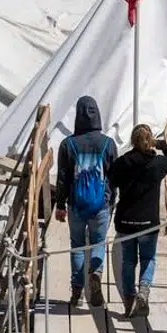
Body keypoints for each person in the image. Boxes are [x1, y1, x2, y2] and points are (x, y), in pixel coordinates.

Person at [107, 123, 167, 317]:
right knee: (148, 259)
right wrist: (161, 145)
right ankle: (144, 291)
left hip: (126, 221)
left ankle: (129, 300)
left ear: (132, 140)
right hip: (148, 223)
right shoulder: (157, 163)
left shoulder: (123, 162)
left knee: (128, 262)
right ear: (150, 141)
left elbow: (110, 177)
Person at [53, 96, 115, 309]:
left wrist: (60, 205)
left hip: (76, 205)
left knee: (77, 247)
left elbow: (63, 178)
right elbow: (113, 176)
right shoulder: (108, 143)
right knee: (98, 244)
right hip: (100, 204)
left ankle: (77, 293)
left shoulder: (67, 144)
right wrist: (111, 201)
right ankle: (96, 273)